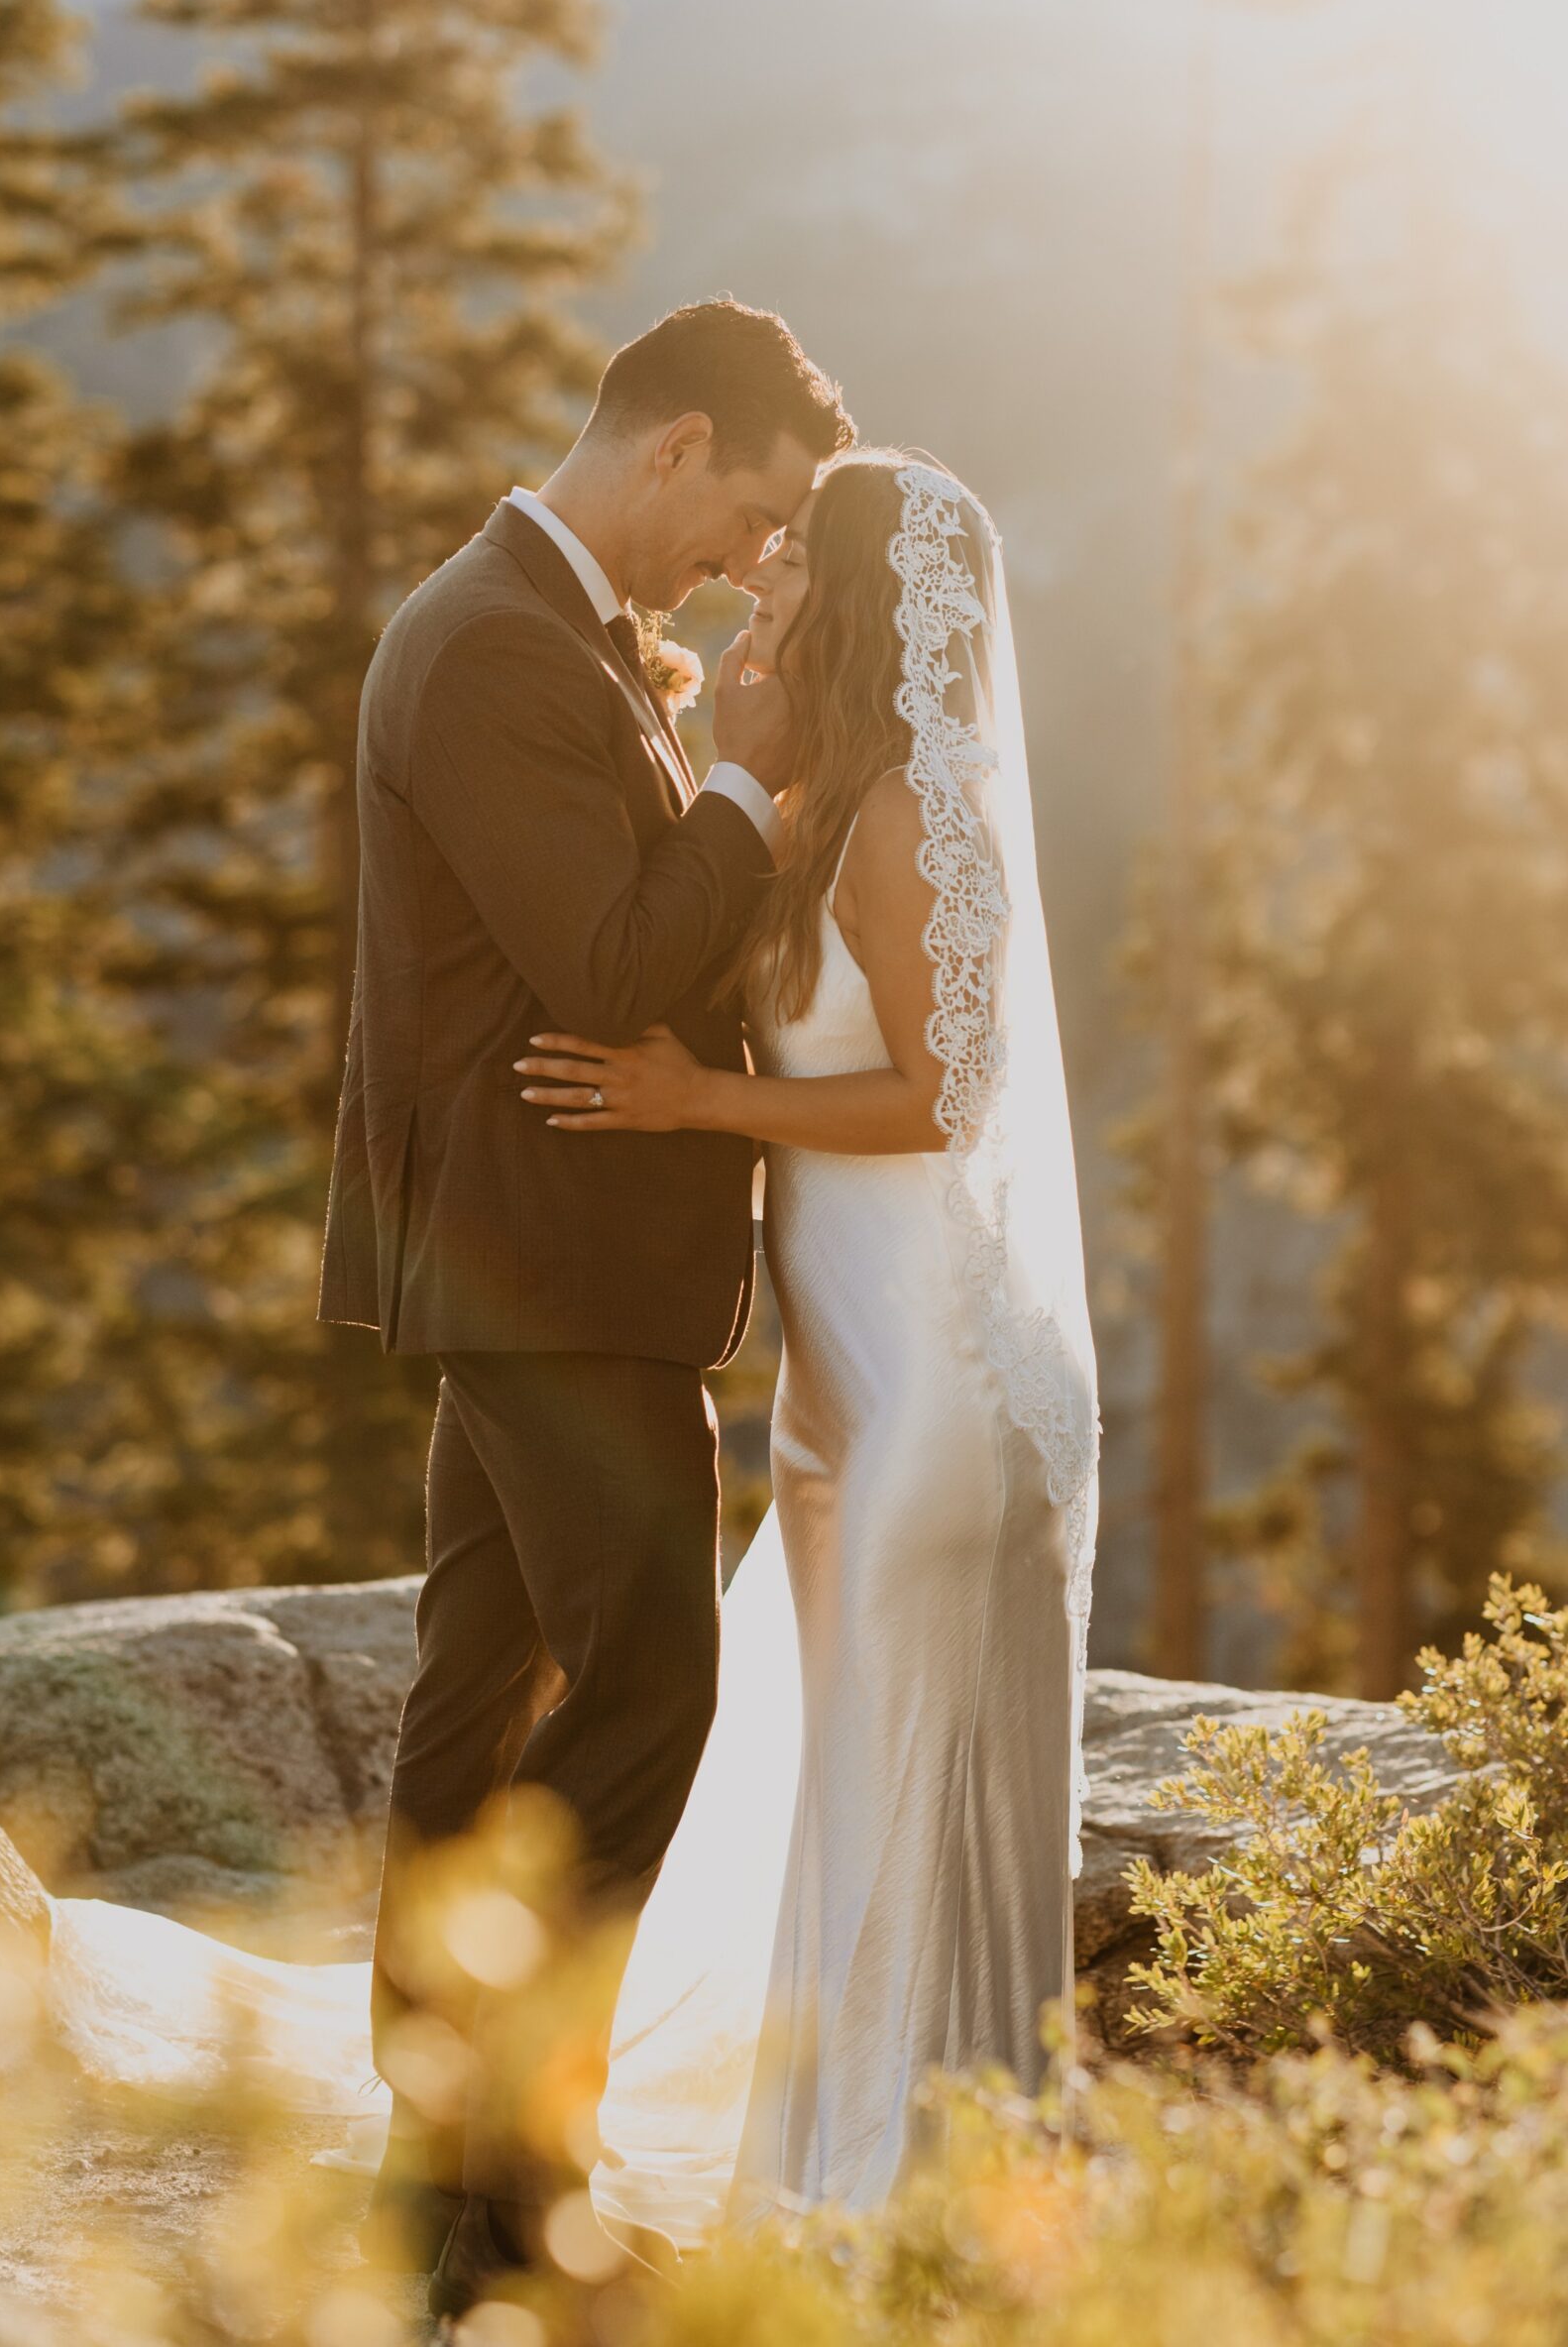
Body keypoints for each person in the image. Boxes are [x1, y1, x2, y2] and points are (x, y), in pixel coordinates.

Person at [314, 299, 853, 2315]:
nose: (738, 556)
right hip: (545, 1258)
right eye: (745, 509)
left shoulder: (536, 628)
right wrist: (736, 784)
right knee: (653, 1686)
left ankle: (429, 2178)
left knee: (474, 1701)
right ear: (669, 444)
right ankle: (508, 2163)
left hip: (536, 1254)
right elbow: (604, 957)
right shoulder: (487, 647)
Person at [511, 451, 1101, 2236]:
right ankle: (859, 2166)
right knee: (859, 1779)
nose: (755, 583)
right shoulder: (833, 791)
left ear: (855, 600)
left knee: (907, 1775)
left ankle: (894, 2202)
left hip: (942, 1384)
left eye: (784, 570)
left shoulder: (920, 811)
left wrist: (695, 1102)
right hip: (850, 1381)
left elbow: (947, 1095)